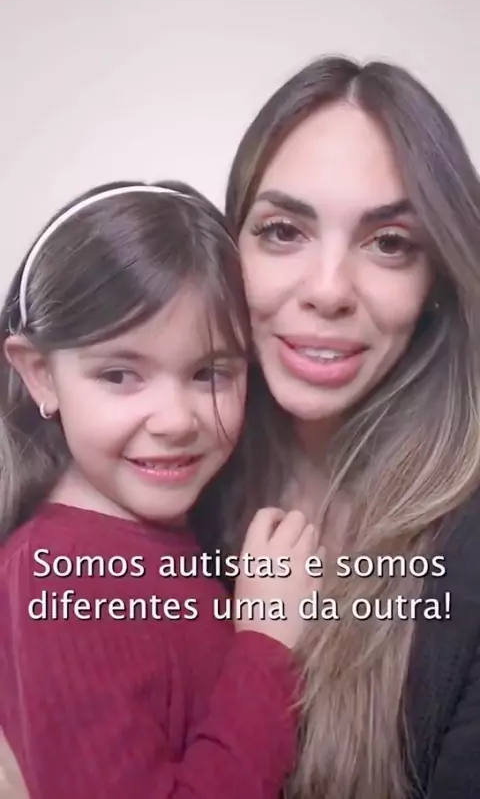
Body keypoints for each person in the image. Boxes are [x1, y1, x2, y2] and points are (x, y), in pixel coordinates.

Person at [0, 180, 320, 799]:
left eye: (209, 373)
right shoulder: (56, 577)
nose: (175, 421)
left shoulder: (173, 533)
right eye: (120, 374)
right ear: (41, 375)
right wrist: (267, 640)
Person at [225, 56, 480, 799]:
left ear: (438, 279)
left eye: (390, 243)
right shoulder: (169, 484)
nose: (329, 290)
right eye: (282, 231)